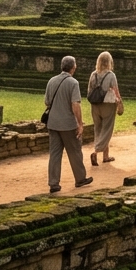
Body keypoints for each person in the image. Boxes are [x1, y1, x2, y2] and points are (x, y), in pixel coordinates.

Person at [44, 56, 92, 193]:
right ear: (73, 67)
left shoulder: (52, 81)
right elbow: (75, 104)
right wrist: (80, 123)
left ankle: (53, 183)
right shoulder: (73, 83)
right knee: (75, 151)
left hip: (53, 123)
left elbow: (47, 102)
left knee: (54, 153)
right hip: (68, 124)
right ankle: (80, 178)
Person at [87, 51, 123, 167]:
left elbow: (90, 90)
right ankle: (95, 152)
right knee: (107, 129)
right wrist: (120, 103)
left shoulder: (93, 74)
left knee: (98, 129)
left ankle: (105, 156)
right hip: (108, 104)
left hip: (95, 104)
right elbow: (116, 91)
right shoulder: (110, 75)